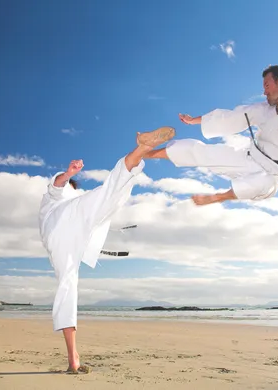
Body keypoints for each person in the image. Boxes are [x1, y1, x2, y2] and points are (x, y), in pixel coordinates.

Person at [38, 126, 175, 374]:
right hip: (65, 223)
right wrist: (68, 173)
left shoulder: (59, 203)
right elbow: (57, 185)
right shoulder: (59, 196)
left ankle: (73, 357)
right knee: (108, 192)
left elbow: (65, 195)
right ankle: (140, 151)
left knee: (67, 286)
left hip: (59, 243)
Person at [143, 65, 278, 206]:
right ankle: (147, 152)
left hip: (273, 174)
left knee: (263, 184)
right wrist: (193, 120)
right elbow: (230, 117)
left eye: (267, 86)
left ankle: (218, 198)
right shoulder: (263, 109)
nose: (265, 92)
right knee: (203, 152)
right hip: (249, 156)